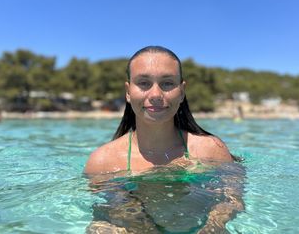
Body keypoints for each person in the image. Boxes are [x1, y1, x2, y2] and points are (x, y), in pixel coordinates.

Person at [84, 46, 243, 233]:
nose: (156, 95)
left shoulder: (211, 150)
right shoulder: (102, 162)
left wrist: (213, 226)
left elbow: (233, 201)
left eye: (167, 83)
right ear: (128, 92)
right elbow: (100, 214)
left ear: (182, 91)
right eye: (143, 83)